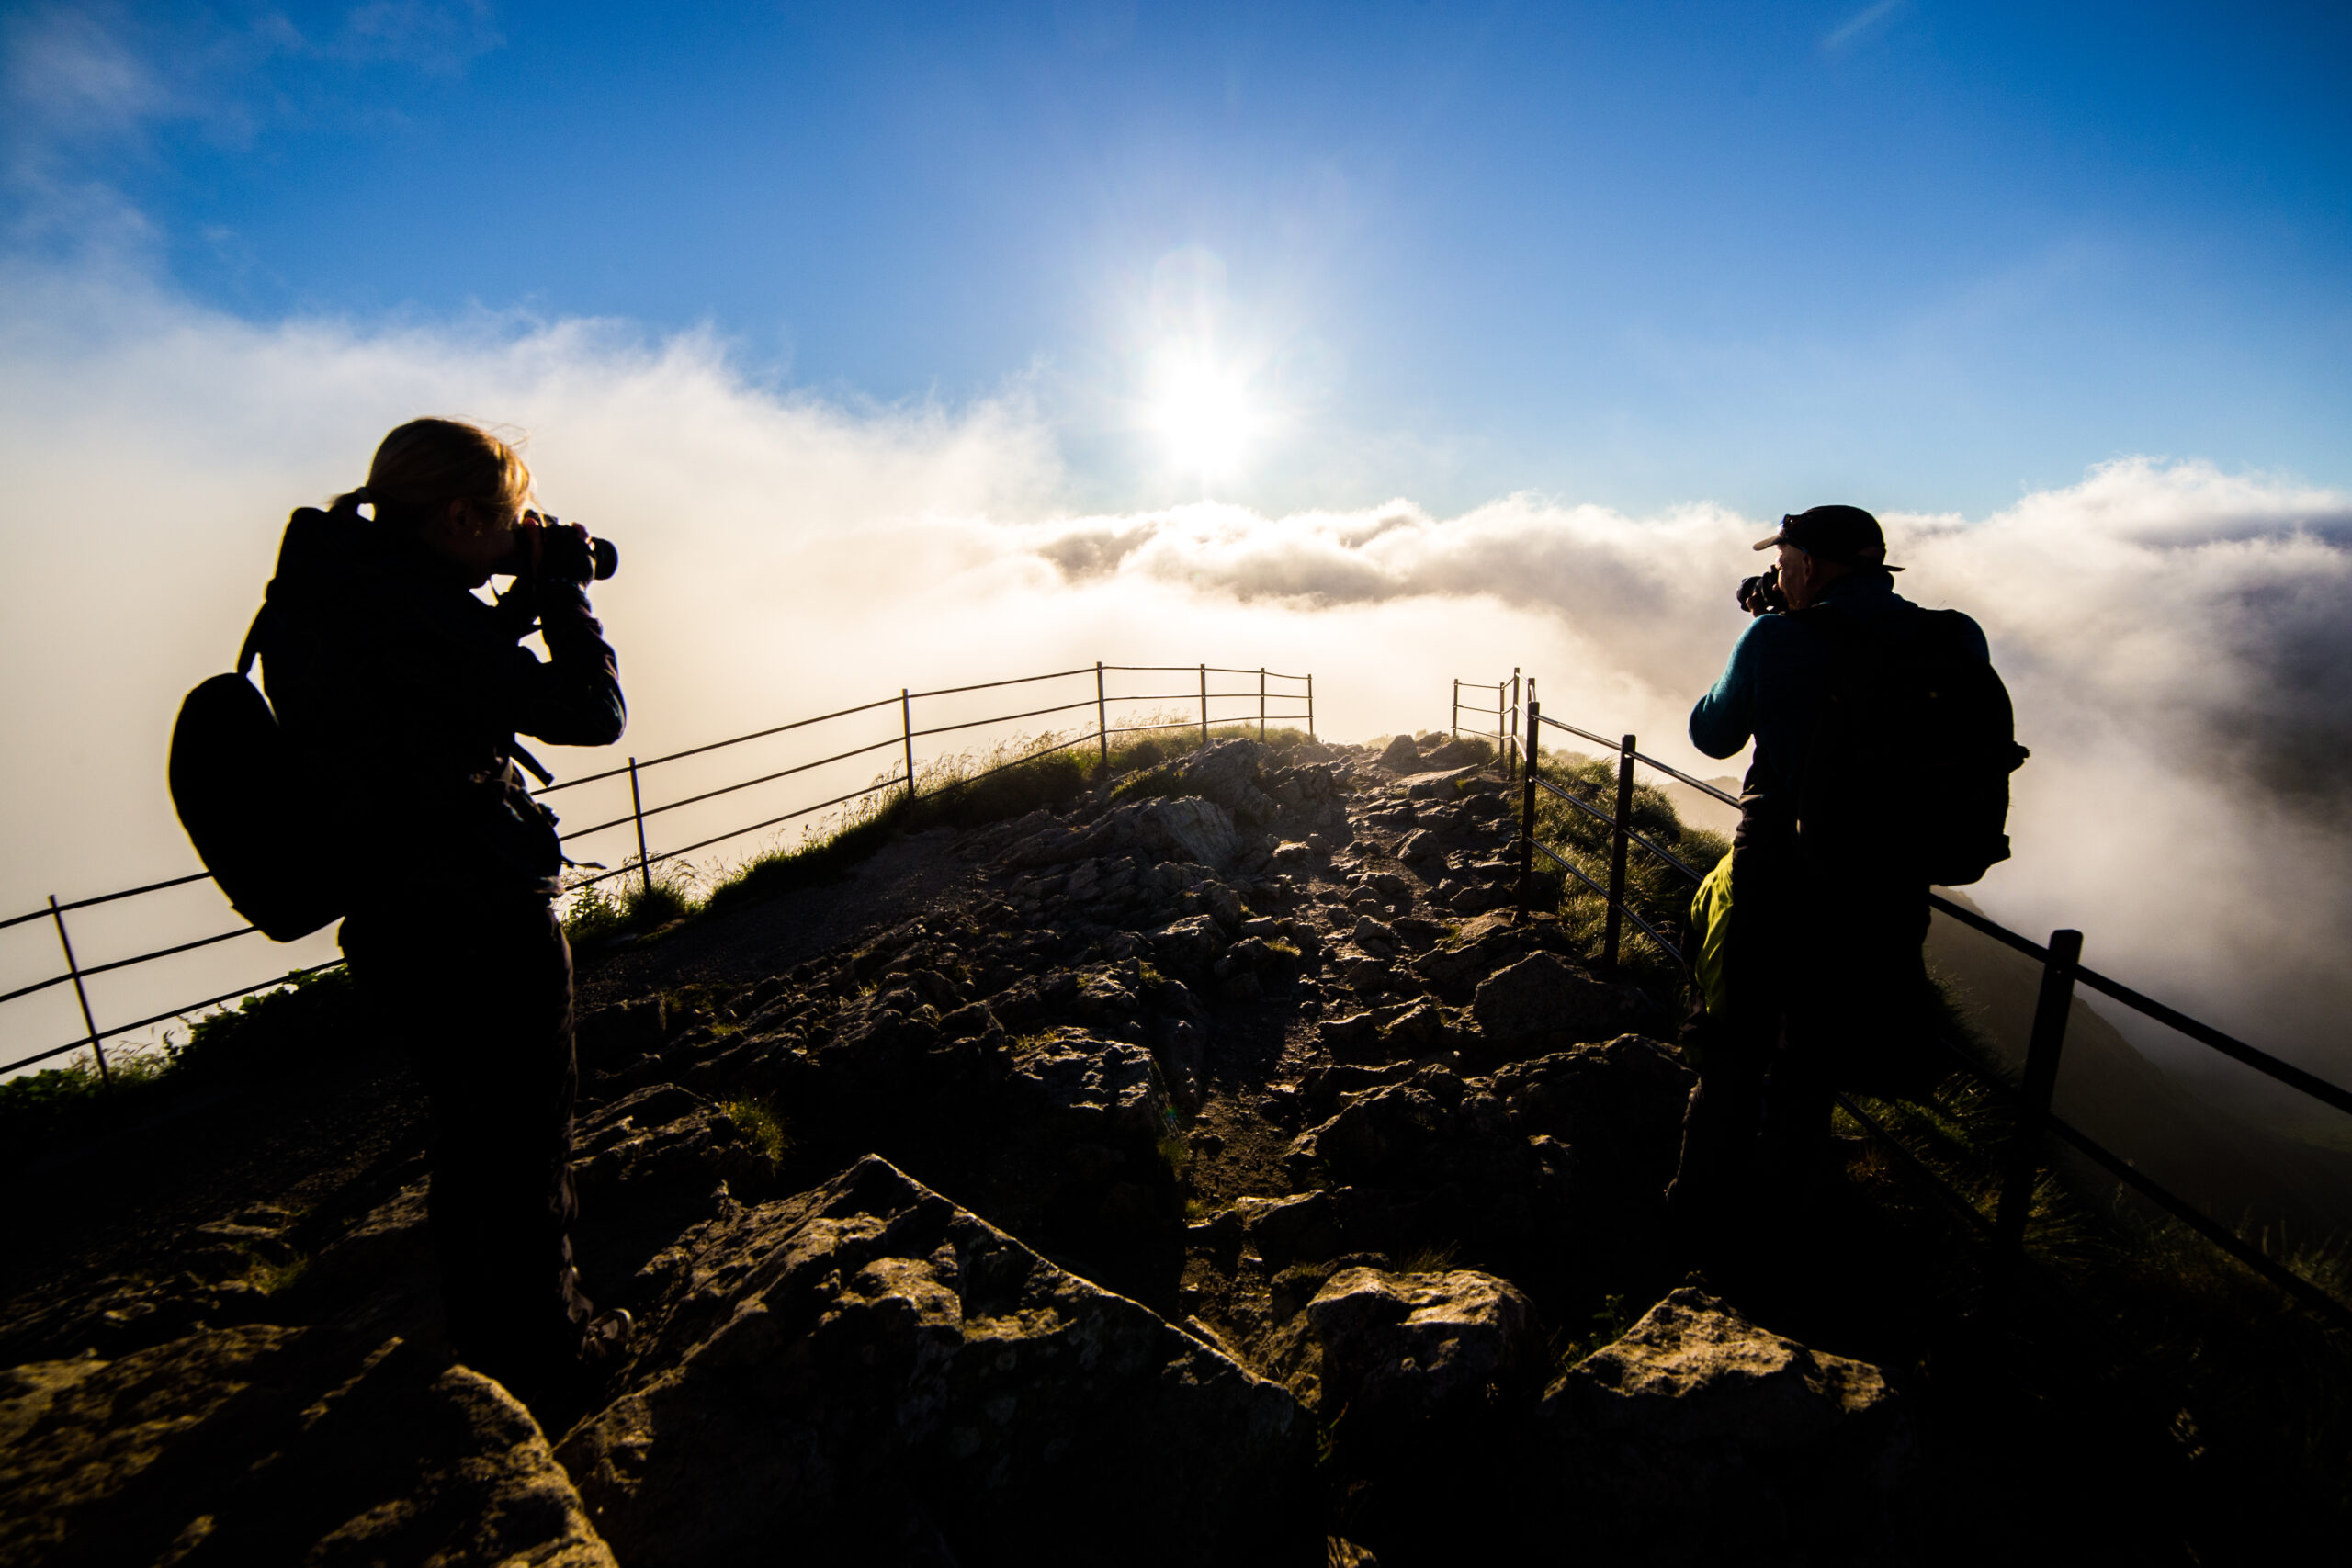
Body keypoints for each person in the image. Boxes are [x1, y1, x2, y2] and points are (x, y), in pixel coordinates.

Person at [260, 417, 629, 1399]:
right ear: (461, 515)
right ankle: (556, 1362)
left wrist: (505, 598)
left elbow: (428, 685)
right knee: (523, 1139)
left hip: (392, 915)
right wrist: (561, 596)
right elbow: (592, 715)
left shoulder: (332, 587)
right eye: (510, 521)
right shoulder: (407, 611)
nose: (520, 537)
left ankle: (488, 1359)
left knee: (471, 1141)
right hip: (474, 906)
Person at [1665, 504, 1990, 1258]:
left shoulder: (1777, 635)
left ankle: (1697, 1235)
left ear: (1808, 565)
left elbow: (1711, 731)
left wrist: (1765, 629)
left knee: (1734, 1049)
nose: (1775, 575)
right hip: (1892, 878)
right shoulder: (1955, 636)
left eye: (1783, 563)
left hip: (1781, 870)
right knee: (1815, 1059)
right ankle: (1786, 1238)